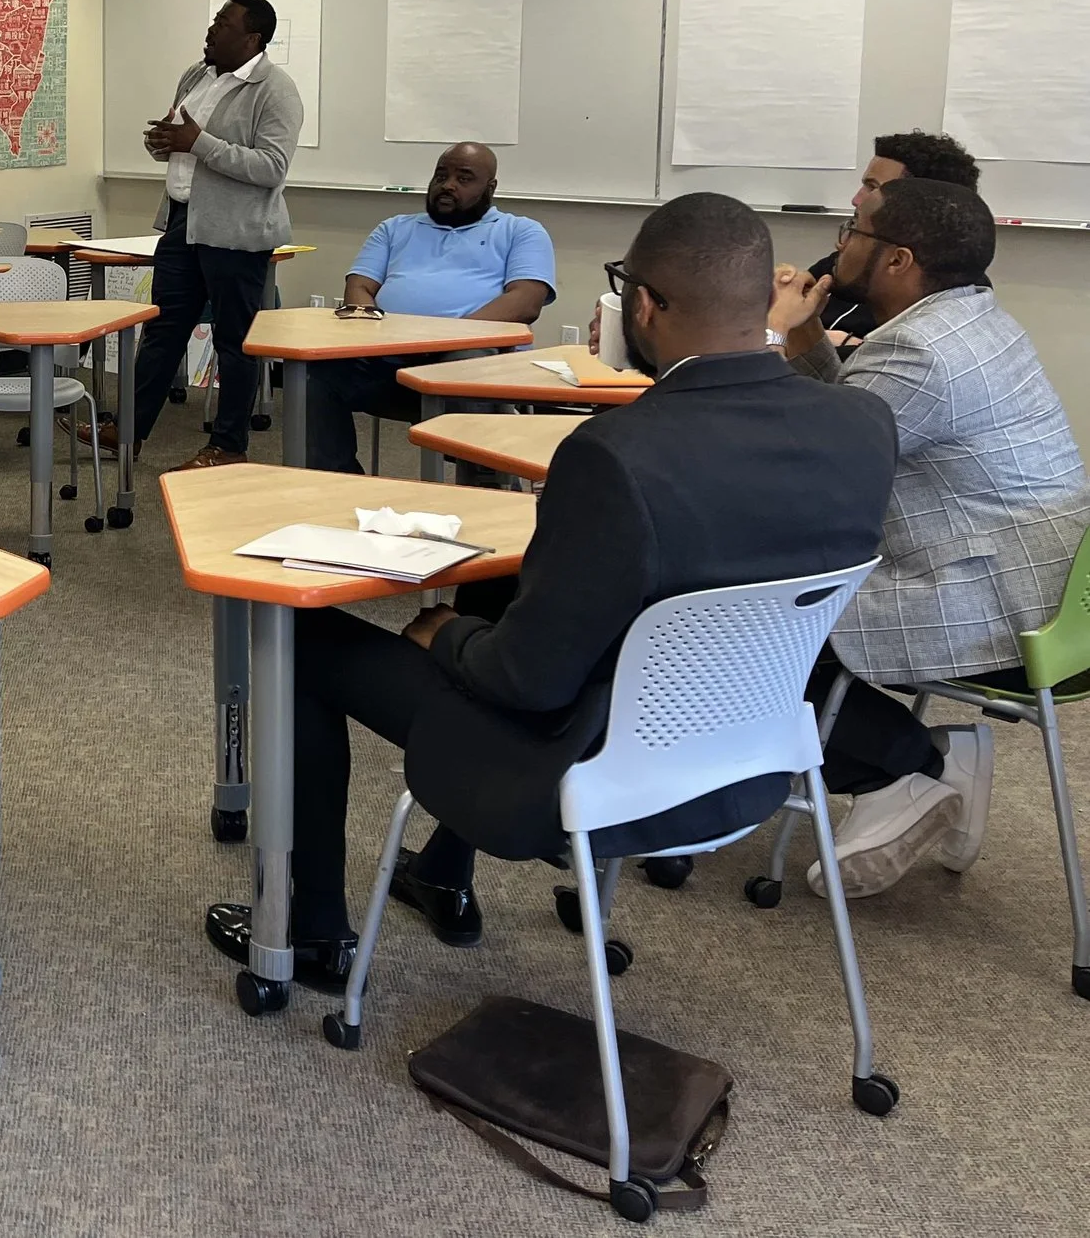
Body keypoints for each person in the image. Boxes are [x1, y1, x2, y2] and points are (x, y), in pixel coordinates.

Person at [206, 194, 893, 985]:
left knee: (307, 637)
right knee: (500, 593)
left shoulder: (616, 455)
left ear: (643, 304)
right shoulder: (864, 424)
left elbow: (526, 683)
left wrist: (446, 637)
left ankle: (306, 935)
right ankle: (440, 870)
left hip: (586, 770)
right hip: (750, 764)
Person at [771, 176, 1090, 896]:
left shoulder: (919, 349)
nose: (840, 242)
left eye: (855, 230)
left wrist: (766, 335)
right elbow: (851, 411)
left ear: (897, 259)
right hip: (1054, 604)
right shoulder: (970, 318)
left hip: (992, 605)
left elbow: (806, 458)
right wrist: (806, 336)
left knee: (755, 621)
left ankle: (906, 768)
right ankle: (929, 759)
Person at [128, 0, 304, 471]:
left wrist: (197, 143)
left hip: (237, 232)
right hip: (183, 221)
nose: (210, 30)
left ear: (252, 38)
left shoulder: (276, 91)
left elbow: (272, 167)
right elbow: (181, 139)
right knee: (163, 331)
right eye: (213, 20)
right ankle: (126, 432)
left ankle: (229, 445)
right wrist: (163, 143)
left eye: (222, 24)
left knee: (234, 339)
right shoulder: (196, 74)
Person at [304, 142, 555, 471]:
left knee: (468, 362)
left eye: (464, 178)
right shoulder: (395, 228)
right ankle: (334, 480)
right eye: (441, 175)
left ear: (490, 188)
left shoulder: (520, 231)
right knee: (319, 371)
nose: (448, 185)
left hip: (470, 360)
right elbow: (359, 286)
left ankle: (483, 484)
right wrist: (373, 333)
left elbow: (526, 300)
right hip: (388, 361)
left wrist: (446, 337)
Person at [803, 130, 981, 342]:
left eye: (873, 188)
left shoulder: (954, 290)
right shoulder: (853, 256)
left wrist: (845, 346)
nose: (856, 199)